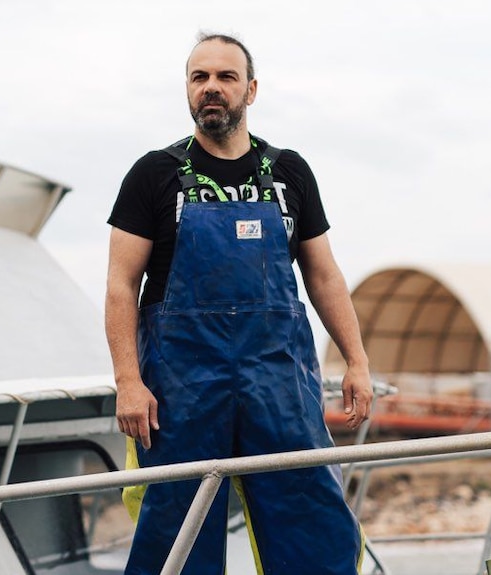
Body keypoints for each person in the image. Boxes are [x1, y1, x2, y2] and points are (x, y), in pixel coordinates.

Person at [105, 32, 373, 575]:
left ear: (250, 90)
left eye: (225, 77)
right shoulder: (154, 174)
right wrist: (128, 382)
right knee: (177, 521)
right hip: (182, 388)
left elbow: (323, 275)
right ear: (187, 89)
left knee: (309, 512)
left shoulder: (289, 172)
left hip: (278, 380)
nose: (211, 88)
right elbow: (119, 286)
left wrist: (357, 360)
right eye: (199, 77)